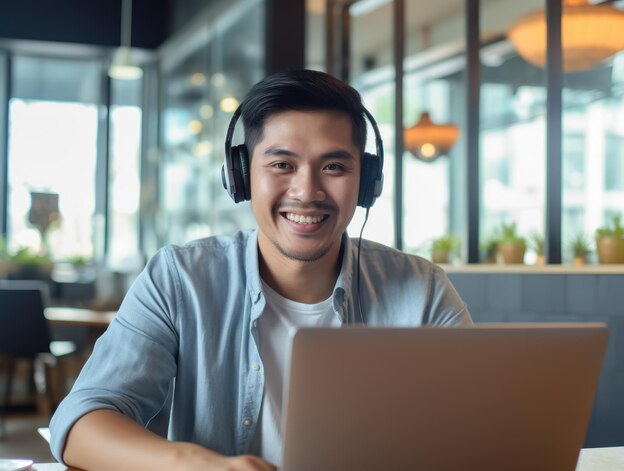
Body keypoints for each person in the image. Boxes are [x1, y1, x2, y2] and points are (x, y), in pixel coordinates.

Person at [49, 69, 472, 470]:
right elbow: (80, 422)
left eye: (334, 167)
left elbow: (478, 428)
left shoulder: (423, 291)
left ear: (366, 182)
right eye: (282, 164)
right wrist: (198, 464)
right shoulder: (180, 278)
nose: (307, 191)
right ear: (242, 176)